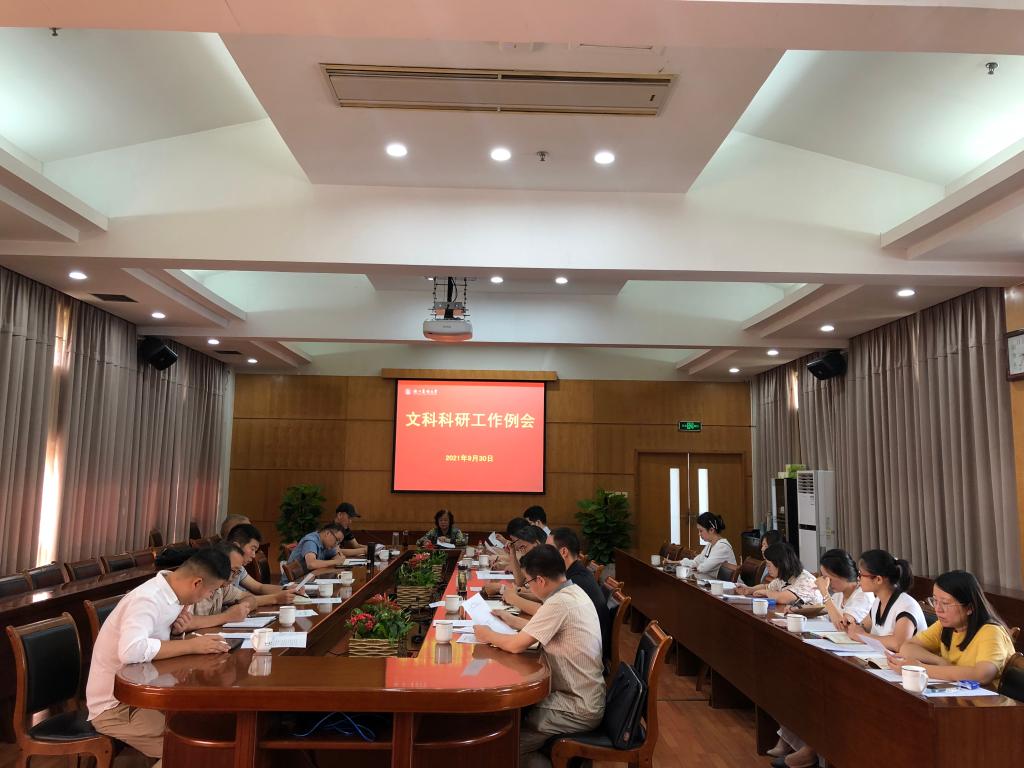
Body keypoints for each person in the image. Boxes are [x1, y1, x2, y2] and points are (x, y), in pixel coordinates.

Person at [87, 549, 233, 768]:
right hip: (117, 706)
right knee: (192, 751)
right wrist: (190, 645)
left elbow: (156, 642)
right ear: (197, 583)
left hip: (149, 695)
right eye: (211, 591)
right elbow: (131, 650)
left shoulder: (173, 596)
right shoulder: (147, 598)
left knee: (211, 729)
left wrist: (177, 633)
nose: (209, 597)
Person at [474, 545, 605, 768]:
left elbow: (516, 645)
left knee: (507, 745)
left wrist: (486, 634)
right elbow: (541, 629)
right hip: (584, 694)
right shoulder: (572, 592)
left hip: (576, 705)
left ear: (541, 580)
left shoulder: (559, 603)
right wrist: (511, 620)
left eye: (528, 581)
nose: (527, 586)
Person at [767, 549, 874, 767]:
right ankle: (794, 741)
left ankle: (811, 750)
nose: (824, 581)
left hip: (856, 658)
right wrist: (800, 611)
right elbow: (827, 614)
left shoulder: (863, 595)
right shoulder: (840, 594)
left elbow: (842, 624)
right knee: (798, 683)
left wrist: (824, 593)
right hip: (837, 650)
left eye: (827, 577)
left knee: (817, 690)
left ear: (839, 575)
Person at [890, 570, 1015, 687]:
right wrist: (939, 661)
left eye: (945, 603)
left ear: (970, 608)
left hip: (988, 699)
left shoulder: (991, 631)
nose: (938, 609)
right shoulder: (945, 625)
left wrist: (922, 669)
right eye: (935, 601)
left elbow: (982, 675)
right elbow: (907, 647)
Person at [846, 549, 927, 652]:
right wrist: (852, 626)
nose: (858, 578)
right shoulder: (878, 601)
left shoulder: (906, 606)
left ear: (878, 579)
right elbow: (863, 627)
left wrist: (863, 636)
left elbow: (899, 644)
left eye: (861, 574)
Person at [225, 525, 300, 606]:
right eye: (252, 549)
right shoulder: (220, 568)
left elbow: (259, 587)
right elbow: (240, 600)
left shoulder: (239, 568)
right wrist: (276, 598)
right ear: (236, 547)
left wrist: (286, 589)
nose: (254, 555)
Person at [187, 543, 258, 626]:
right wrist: (227, 616)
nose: (234, 577)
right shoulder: (196, 586)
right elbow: (184, 624)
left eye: (237, 572)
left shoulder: (223, 587)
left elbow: (251, 598)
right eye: (232, 571)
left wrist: (240, 608)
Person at [736, 542, 821, 605]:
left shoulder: (806, 580)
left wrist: (766, 592)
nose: (767, 568)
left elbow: (783, 598)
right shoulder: (784, 577)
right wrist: (750, 589)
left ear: (780, 564)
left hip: (814, 622)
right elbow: (767, 587)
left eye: (769, 565)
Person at [815, 549, 874, 631]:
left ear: (843, 573)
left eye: (829, 578)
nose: (827, 583)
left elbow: (843, 626)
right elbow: (826, 618)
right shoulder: (838, 595)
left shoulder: (864, 595)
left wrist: (824, 592)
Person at [666, 512, 736, 577]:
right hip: (713, 581)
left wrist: (695, 566)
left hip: (729, 585)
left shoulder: (722, 547)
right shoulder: (710, 544)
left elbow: (703, 568)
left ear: (711, 530)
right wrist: (673, 562)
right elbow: (696, 562)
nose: (699, 534)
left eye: (701, 531)